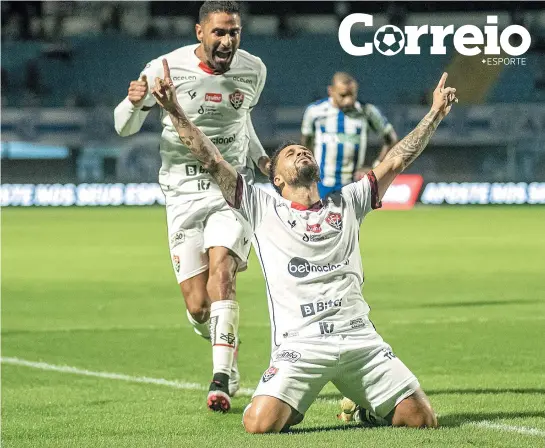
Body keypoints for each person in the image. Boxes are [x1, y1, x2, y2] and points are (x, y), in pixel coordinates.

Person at [150, 60, 457, 432]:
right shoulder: (261, 206)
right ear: (277, 178)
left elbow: (397, 157)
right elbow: (210, 158)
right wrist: (173, 110)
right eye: (291, 153)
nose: (301, 152)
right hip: (301, 347)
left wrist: (435, 114)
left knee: (423, 420)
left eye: (303, 150)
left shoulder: (349, 201)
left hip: (359, 339)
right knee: (258, 425)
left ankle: (364, 407)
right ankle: (297, 402)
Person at [113, 1, 270, 413]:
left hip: (230, 189)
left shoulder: (253, 70)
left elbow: (243, 122)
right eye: (219, 32)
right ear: (200, 32)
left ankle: (221, 377)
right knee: (199, 306)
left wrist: (260, 159)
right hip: (182, 194)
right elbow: (123, 127)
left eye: (234, 32)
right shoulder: (164, 67)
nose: (227, 40)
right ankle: (223, 337)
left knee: (224, 272)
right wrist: (133, 103)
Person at [301, 72, 398, 198]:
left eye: (352, 95)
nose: (348, 100)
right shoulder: (315, 111)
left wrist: (376, 166)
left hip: (354, 184)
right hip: (322, 183)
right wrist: (309, 169)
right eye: (343, 95)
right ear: (331, 91)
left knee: (349, 218)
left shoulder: (367, 111)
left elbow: (391, 139)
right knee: (320, 217)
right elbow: (305, 143)